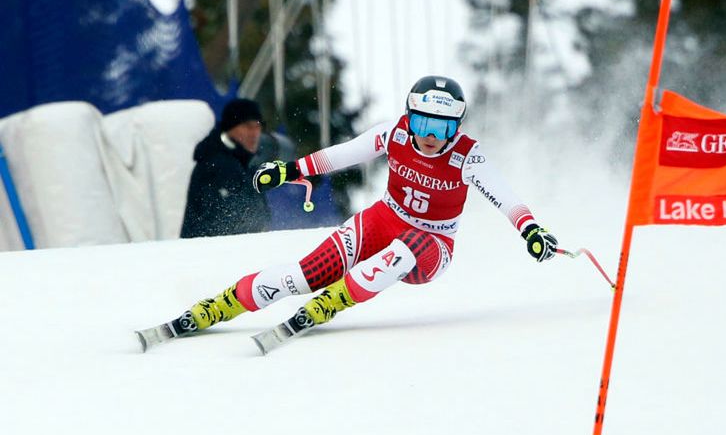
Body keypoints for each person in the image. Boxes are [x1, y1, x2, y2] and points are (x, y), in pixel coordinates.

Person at [144, 76, 558, 347]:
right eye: (424, 124)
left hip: (432, 245)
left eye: (444, 128)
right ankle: (213, 307)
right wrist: (290, 171)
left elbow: (504, 196)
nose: (432, 137)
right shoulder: (393, 134)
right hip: (382, 220)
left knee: (409, 246)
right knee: (301, 275)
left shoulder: (467, 156)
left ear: (458, 127)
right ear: (410, 118)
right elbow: (341, 156)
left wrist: (530, 230)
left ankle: (330, 304)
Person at [180, 98, 271, 238]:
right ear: (230, 128)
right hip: (214, 257)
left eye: (258, 126)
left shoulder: (248, 166)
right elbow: (224, 225)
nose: (254, 133)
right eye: (247, 126)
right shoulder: (216, 166)